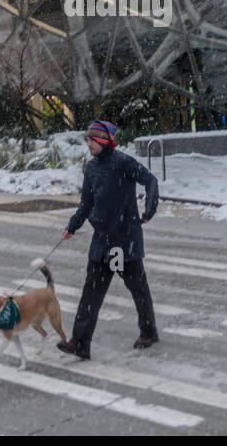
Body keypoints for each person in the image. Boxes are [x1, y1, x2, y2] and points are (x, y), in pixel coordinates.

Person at [57, 120, 159, 361]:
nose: (89, 144)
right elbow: (86, 204)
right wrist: (72, 226)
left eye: (92, 140)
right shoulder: (91, 168)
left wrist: (149, 210)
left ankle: (148, 331)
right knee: (90, 294)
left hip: (125, 241)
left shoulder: (123, 162)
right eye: (87, 140)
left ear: (103, 140)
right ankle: (80, 343)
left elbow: (151, 181)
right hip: (102, 242)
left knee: (138, 289)